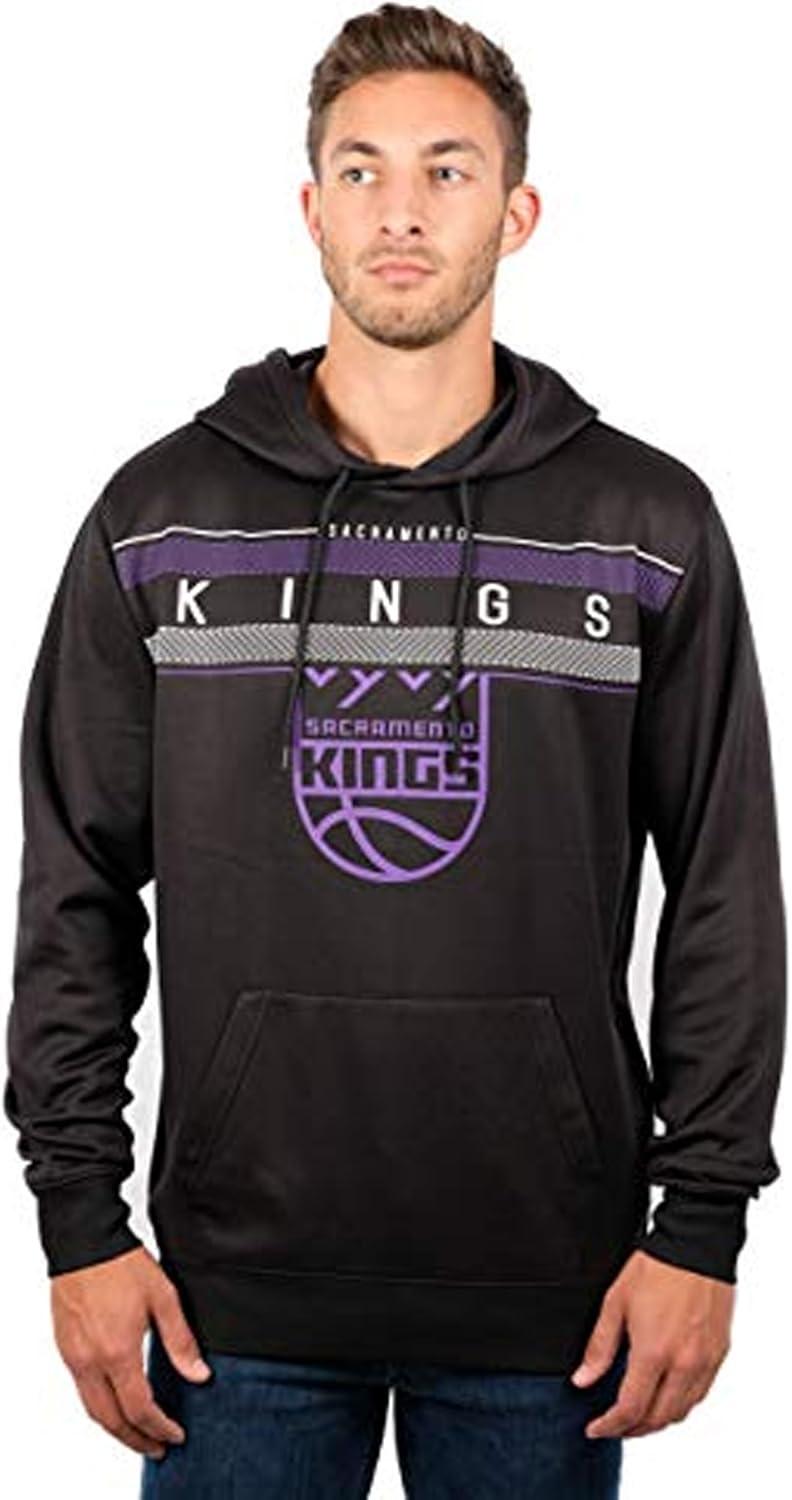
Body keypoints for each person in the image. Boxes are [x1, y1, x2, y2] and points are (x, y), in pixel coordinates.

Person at [4, 4, 786, 1497]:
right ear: (311, 208)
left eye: (447, 169)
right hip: (229, 1305)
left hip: (553, 1305)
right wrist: (78, 1222)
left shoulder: (646, 528)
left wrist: (702, 1225)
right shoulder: (160, 520)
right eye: (361, 171)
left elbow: (726, 890)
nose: (402, 210)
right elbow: (73, 885)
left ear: (517, 211)